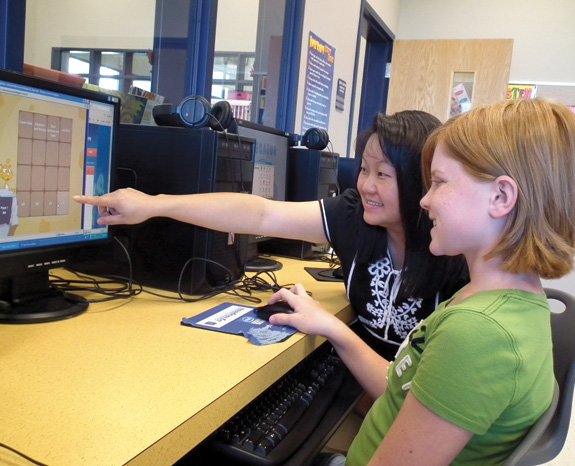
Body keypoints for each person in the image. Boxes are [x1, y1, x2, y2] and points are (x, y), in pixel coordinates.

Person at [264, 98, 575, 465]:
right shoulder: (496, 298)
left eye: (438, 183)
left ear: (500, 197)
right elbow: (403, 386)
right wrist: (334, 329)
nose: (424, 200)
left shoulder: (479, 335)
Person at [74, 110, 467, 360]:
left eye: (383, 175)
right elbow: (260, 214)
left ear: (419, 180)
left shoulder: (451, 248)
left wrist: (327, 325)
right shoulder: (355, 217)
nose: (366, 185)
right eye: (364, 170)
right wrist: (155, 204)